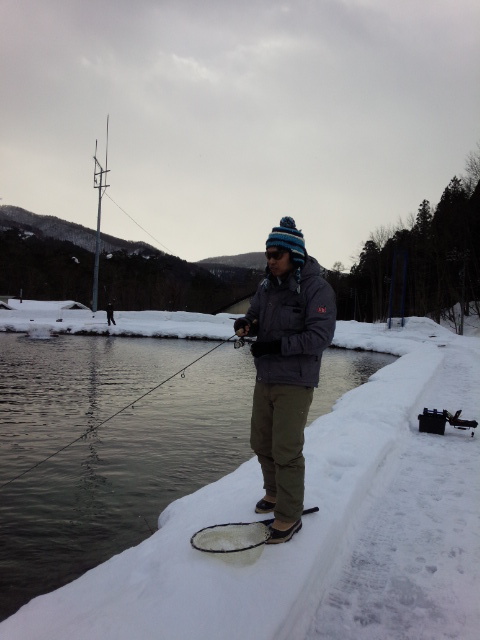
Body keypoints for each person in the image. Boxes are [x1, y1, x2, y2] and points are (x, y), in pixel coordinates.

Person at [234, 217, 336, 544]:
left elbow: (320, 336)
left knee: (287, 450)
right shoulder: (267, 286)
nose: (271, 260)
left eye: (277, 254)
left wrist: (276, 346)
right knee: (261, 442)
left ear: (294, 254)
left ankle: (289, 515)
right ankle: (275, 493)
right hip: (265, 377)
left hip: (296, 381)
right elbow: (255, 314)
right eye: (268, 254)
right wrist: (247, 323)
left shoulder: (317, 288)